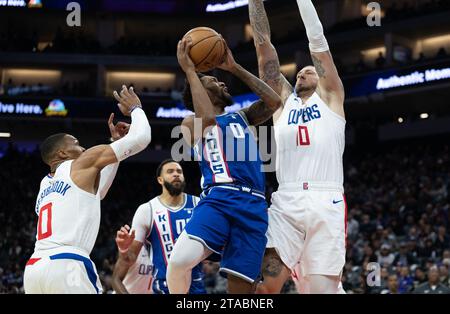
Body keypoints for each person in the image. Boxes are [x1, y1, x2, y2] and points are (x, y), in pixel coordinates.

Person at [166, 37, 282, 294]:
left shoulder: (241, 116)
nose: (220, 81)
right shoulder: (189, 123)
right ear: (200, 89)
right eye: (212, 80)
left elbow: (275, 102)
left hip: (253, 205)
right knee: (178, 262)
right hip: (218, 198)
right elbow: (207, 118)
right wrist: (190, 70)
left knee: (241, 292)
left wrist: (234, 67)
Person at [248, 0, 346, 293]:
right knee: (265, 287)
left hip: (325, 199)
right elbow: (264, 49)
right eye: (299, 72)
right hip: (286, 200)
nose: (302, 73)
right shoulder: (282, 104)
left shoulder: (330, 97)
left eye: (309, 71)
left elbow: (318, 42)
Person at [23, 85, 152, 294]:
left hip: (34, 269)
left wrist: (116, 142)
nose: (82, 148)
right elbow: (141, 139)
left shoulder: (45, 184)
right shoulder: (80, 163)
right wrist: (136, 108)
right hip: (67, 264)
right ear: (63, 152)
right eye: (76, 143)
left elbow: (96, 193)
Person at [113, 160, 205, 294]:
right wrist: (124, 249)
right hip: (164, 287)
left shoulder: (199, 204)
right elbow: (130, 258)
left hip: (196, 284)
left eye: (179, 172)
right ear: (160, 180)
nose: (176, 174)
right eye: (170, 172)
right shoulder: (147, 210)